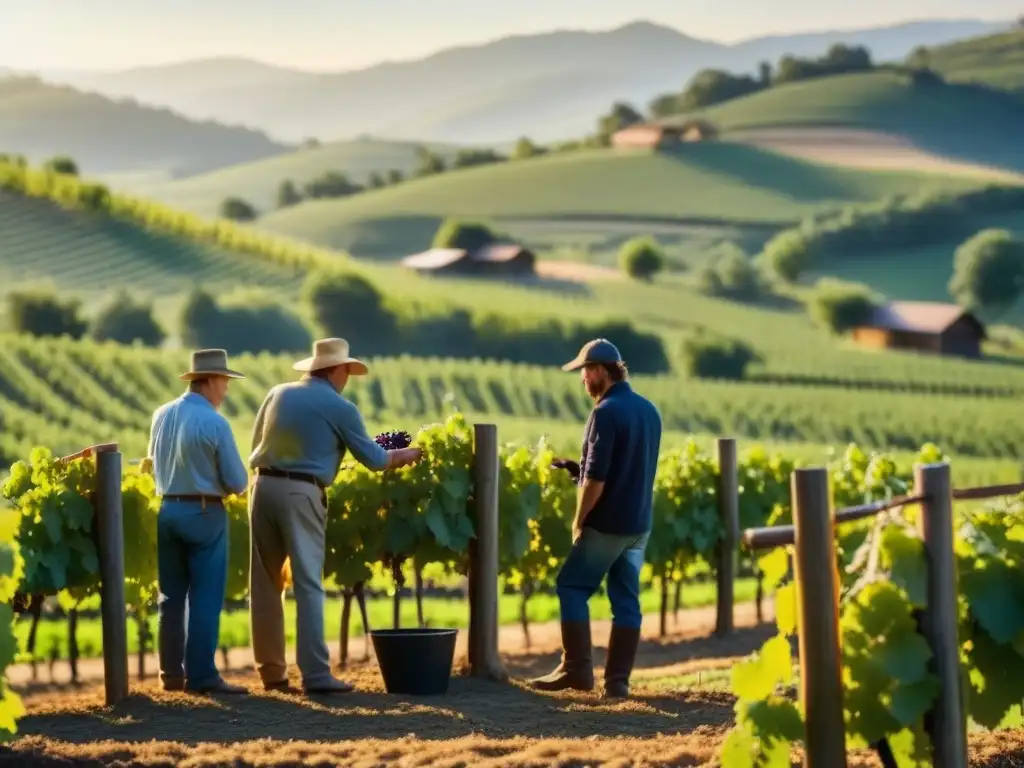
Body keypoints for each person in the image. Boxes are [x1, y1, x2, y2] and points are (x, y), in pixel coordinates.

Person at [247, 337, 423, 694]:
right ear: (337, 370)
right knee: (309, 583)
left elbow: (254, 447)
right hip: (302, 492)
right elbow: (376, 461)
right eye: (347, 371)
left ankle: (272, 674)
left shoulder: (277, 393)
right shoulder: (340, 407)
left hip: (262, 488)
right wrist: (413, 454)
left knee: (265, 585)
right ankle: (315, 675)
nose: (348, 378)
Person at [530, 339, 662, 699]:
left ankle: (576, 670)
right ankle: (617, 683)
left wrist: (578, 520)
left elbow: (598, 480)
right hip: (638, 525)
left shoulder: (604, 413)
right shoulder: (649, 411)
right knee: (626, 601)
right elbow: (628, 469)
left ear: (602, 371)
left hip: (606, 525)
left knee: (571, 587)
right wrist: (578, 469)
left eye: (586, 371)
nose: (583, 379)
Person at [147, 349, 250, 694]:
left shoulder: (161, 415)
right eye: (224, 381)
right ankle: (203, 675)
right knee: (206, 597)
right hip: (205, 513)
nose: (226, 389)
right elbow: (237, 482)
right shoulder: (215, 422)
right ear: (208, 381)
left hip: (167, 511)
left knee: (170, 597)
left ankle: (170, 675)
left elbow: (153, 464)